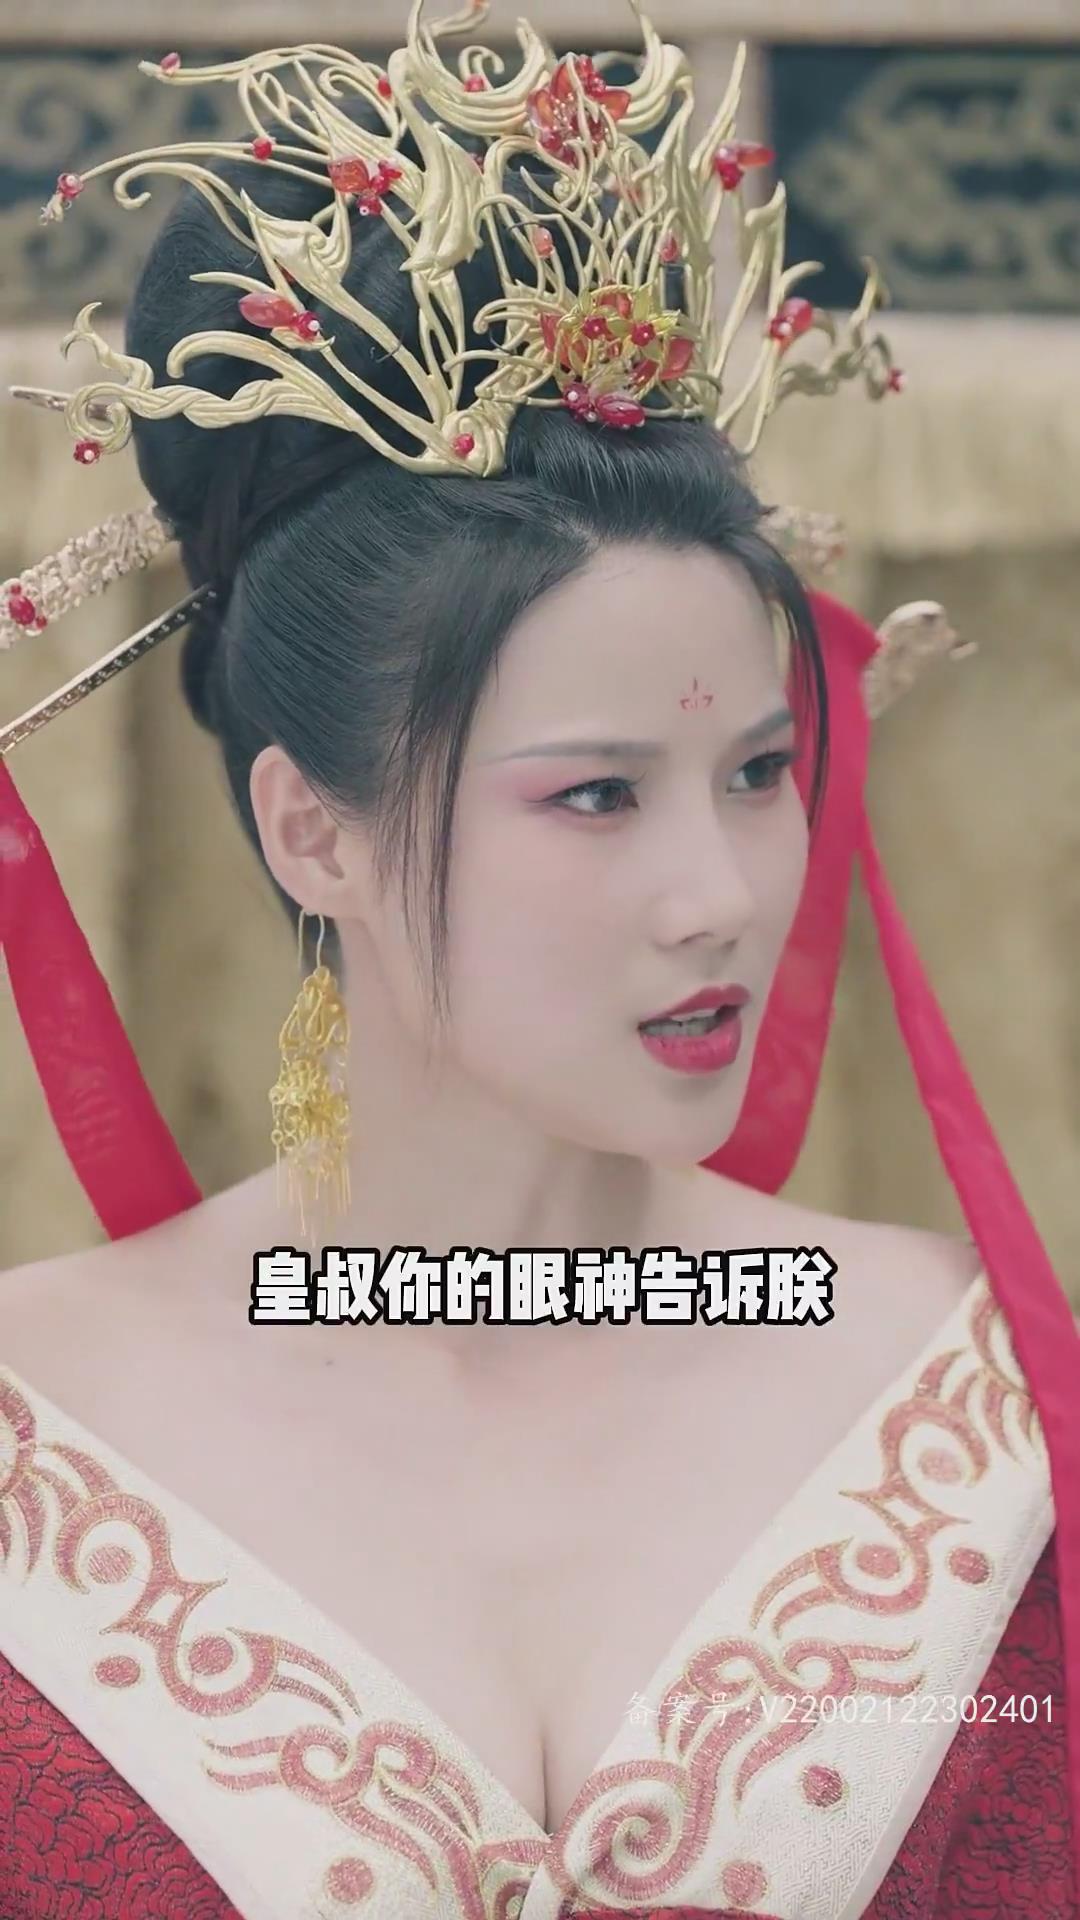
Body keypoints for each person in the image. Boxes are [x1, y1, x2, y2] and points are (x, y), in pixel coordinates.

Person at [1, 8, 1078, 1916]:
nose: (718, 893)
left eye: (758, 773)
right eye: (596, 796)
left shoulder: (985, 1397)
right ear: (310, 829)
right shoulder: (36, 1427)